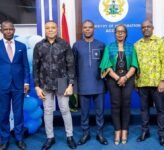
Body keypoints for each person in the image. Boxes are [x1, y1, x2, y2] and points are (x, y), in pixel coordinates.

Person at [33, 20, 76, 150]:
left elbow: (71, 65)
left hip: (62, 82)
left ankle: (69, 136)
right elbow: (35, 67)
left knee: (65, 109)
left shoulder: (64, 44)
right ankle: (50, 137)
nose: (50, 30)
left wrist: (70, 84)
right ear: (45, 30)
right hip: (44, 83)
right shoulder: (39, 46)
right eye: (48, 28)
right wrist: (36, 86)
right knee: (47, 111)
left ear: (56, 29)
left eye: (53, 27)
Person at [100, 24, 139, 145]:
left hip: (128, 78)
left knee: (126, 104)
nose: (120, 33)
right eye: (118, 31)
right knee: (115, 104)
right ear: (115, 33)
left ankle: (124, 130)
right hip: (113, 78)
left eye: (122, 31)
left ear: (126, 34)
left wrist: (125, 77)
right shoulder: (109, 47)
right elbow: (106, 64)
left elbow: (134, 65)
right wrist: (118, 78)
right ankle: (117, 130)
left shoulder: (131, 47)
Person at [72, 20, 108, 146]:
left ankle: (100, 133)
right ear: (82, 29)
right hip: (83, 84)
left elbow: (105, 66)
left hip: (98, 84)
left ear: (94, 29)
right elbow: (73, 66)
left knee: (100, 112)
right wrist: (74, 85)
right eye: (85, 27)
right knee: (84, 112)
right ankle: (85, 133)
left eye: (90, 27)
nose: (87, 29)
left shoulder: (101, 45)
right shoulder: (76, 45)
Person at [135, 20, 164, 146]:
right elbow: (135, 65)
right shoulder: (137, 45)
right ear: (141, 29)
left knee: (160, 110)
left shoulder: (160, 42)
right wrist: (135, 82)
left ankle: (162, 135)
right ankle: (145, 132)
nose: (146, 29)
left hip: (157, 83)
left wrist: (162, 81)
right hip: (142, 83)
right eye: (143, 27)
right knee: (144, 110)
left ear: (152, 28)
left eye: (148, 26)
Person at [0, 20, 30, 150]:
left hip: (19, 85)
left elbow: (25, 66)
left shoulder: (21, 46)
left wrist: (26, 82)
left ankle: (19, 139)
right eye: (5, 29)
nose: (8, 31)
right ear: (1, 30)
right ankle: (5, 140)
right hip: (2, 85)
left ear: (14, 30)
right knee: (3, 113)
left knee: (18, 113)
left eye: (10, 29)